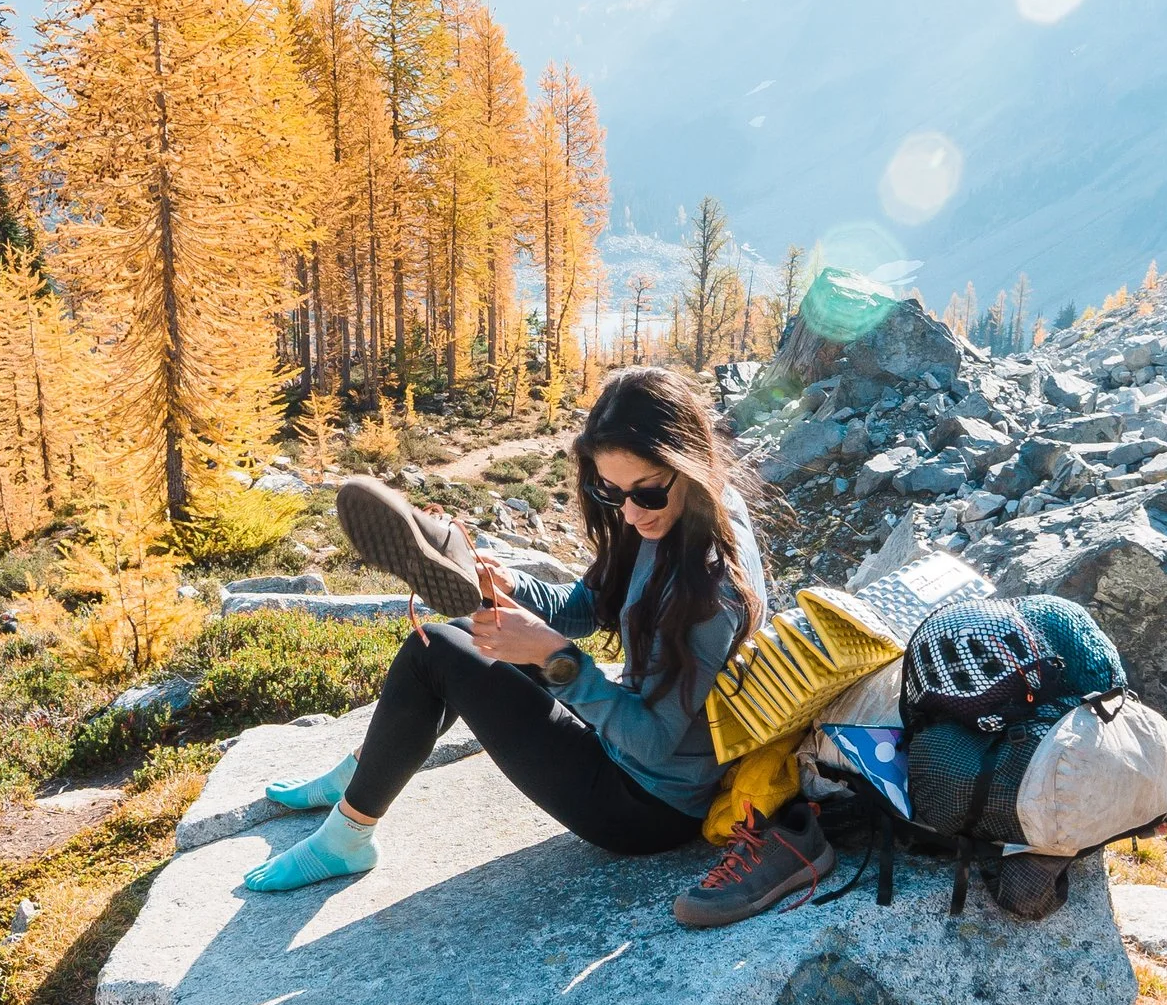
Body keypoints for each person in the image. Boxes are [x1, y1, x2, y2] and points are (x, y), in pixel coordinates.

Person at [244, 366, 825, 912]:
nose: (629, 513)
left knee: (439, 654)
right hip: (626, 757)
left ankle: (349, 836)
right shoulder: (670, 515)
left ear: (689, 464)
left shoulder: (710, 587)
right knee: (455, 637)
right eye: (609, 492)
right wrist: (509, 586)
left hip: (647, 805)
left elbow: (650, 741)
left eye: (646, 492)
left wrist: (553, 658)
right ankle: (367, 768)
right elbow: (588, 606)